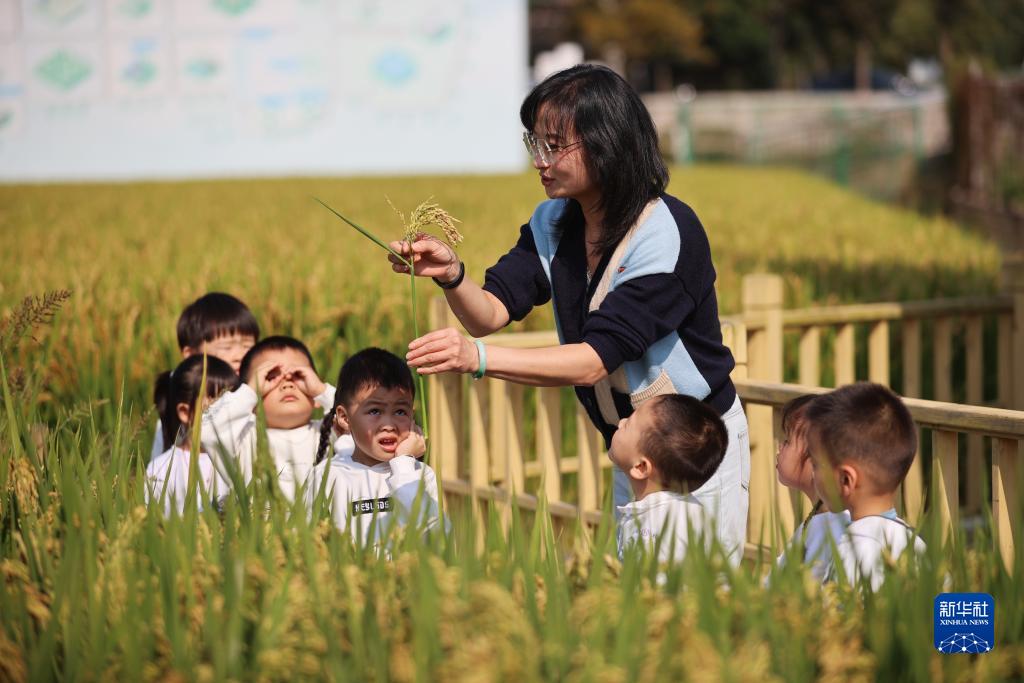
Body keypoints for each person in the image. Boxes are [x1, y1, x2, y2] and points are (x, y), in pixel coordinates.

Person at [387, 64, 749, 560]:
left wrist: (477, 358)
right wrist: (451, 273)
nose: (540, 161)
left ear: (607, 143)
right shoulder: (553, 220)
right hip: (633, 446)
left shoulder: (666, 235)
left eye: (555, 146)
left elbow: (593, 360)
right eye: (535, 144)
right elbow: (490, 312)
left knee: (704, 591)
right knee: (639, 592)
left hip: (694, 447)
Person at [306, 348, 437, 546]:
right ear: (344, 418)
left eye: (400, 412)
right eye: (375, 410)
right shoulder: (326, 476)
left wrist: (403, 464)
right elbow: (307, 542)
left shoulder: (420, 474)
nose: (389, 424)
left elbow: (436, 535)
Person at [805, 383, 926, 591]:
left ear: (846, 480)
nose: (812, 471)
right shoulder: (914, 542)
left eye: (815, 463)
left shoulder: (856, 550)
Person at [200, 336, 345, 504]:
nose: (287, 385)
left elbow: (361, 423)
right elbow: (208, 431)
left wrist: (322, 390)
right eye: (270, 378)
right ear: (251, 404)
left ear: (315, 400)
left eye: (298, 377)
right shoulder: (243, 441)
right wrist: (249, 392)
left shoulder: (332, 432)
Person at [610, 394, 727, 564]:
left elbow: (655, 588)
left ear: (640, 467)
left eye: (627, 425)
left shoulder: (654, 527)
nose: (620, 422)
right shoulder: (686, 511)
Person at [151, 292, 259, 458]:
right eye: (226, 348)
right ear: (190, 354)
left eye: (248, 346)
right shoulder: (179, 408)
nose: (240, 355)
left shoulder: (256, 393)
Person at [145, 355, 239, 516]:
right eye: (218, 400)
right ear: (185, 412)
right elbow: (155, 525)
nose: (229, 410)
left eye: (234, 401)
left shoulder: (240, 456)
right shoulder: (161, 467)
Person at [772, 394, 850, 581]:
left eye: (788, 441)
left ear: (815, 459)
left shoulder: (833, 529)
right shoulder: (819, 519)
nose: (780, 447)